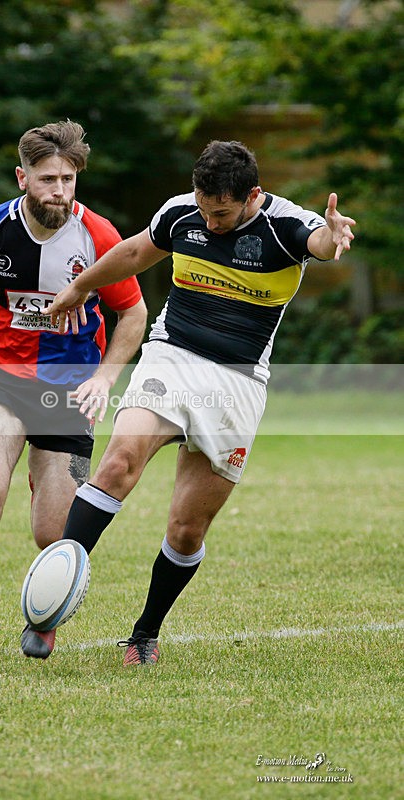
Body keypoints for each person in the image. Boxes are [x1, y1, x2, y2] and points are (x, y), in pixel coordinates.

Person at [42, 139, 356, 665]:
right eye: (204, 209)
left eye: (223, 214)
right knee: (119, 462)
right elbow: (138, 251)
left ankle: (144, 633)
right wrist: (81, 286)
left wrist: (333, 234)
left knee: (187, 530)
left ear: (253, 195)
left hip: (237, 382)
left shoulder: (284, 226)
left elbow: (318, 243)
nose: (210, 223)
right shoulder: (182, 212)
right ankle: (49, 606)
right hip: (172, 355)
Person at [0, 120, 147, 659]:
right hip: (2, 378)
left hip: (69, 392)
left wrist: (104, 378)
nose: (59, 190)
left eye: (69, 179)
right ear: (22, 177)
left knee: (54, 534)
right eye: (48, 178)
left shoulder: (99, 236)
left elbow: (133, 312)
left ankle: (45, 616)